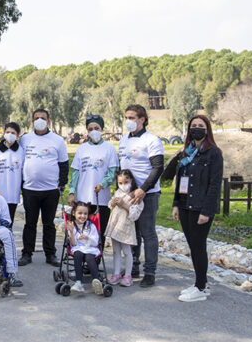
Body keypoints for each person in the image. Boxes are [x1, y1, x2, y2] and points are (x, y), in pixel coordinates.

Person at [172, 114, 223, 302]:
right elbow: (180, 182)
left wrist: (207, 211)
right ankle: (201, 283)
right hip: (185, 205)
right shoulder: (187, 152)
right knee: (193, 246)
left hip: (200, 207)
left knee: (198, 247)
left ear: (207, 129)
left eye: (201, 125)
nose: (197, 128)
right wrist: (176, 204)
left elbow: (214, 185)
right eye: (194, 125)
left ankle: (200, 288)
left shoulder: (213, 153)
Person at [118, 104, 164, 287]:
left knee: (147, 233)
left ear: (142, 119)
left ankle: (150, 271)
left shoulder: (151, 140)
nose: (128, 121)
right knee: (132, 233)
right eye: (126, 118)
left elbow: (158, 167)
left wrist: (143, 189)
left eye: (132, 118)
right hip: (128, 194)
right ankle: (133, 267)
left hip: (148, 194)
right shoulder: (123, 141)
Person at [18, 109, 69, 266]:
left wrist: (62, 183)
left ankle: (50, 254)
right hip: (30, 189)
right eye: (36, 118)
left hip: (51, 190)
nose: (39, 120)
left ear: (48, 121)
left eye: (43, 118)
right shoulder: (25, 139)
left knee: (49, 224)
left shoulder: (58, 140)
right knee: (30, 223)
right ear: (32, 121)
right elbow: (15, 156)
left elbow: (64, 164)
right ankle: (27, 253)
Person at [67, 114, 118, 245]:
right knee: (82, 230)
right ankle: (82, 257)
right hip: (83, 199)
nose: (93, 131)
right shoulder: (82, 148)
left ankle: (95, 260)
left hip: (102, 198)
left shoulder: (109, 148)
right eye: (90, 129)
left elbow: (112, 172)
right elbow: (76, 173)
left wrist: (103, 183)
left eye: (97, 128)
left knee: (99, 232)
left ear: (101, 129)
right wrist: (72, 192)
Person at [105, 169, 144, 287]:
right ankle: (116, 273)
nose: (123, 186)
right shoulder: (118, 193)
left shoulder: (136, 197)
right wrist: (113, 203)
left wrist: (124, 205)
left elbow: (135, 215)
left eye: (126, 182)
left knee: (127, 251)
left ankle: (128, 275)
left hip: (126, 226)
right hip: (115, 225)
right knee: (116, 250)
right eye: (120, 183)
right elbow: (110, 205)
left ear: (131, 181)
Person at [0, 122, 24, 225]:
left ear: (17, 135)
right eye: (7, 132)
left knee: (8, 223)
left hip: (12, 194)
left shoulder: (21, 151)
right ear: (4, 133)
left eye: (13, 133)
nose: (10, 134)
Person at [66, 201, 102, 294]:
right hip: (78, 248)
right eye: (80, 213)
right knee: (77, 255)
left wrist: (88, 237)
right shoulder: (72, 225)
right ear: (74, 213)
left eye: (85, 214)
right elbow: (73, 244)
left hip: (90, 247)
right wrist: (70, 232)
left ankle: (96, 281)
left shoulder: (91, 226)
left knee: (89, 258)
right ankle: (79, 282)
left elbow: (95, 241)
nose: (83, 216)